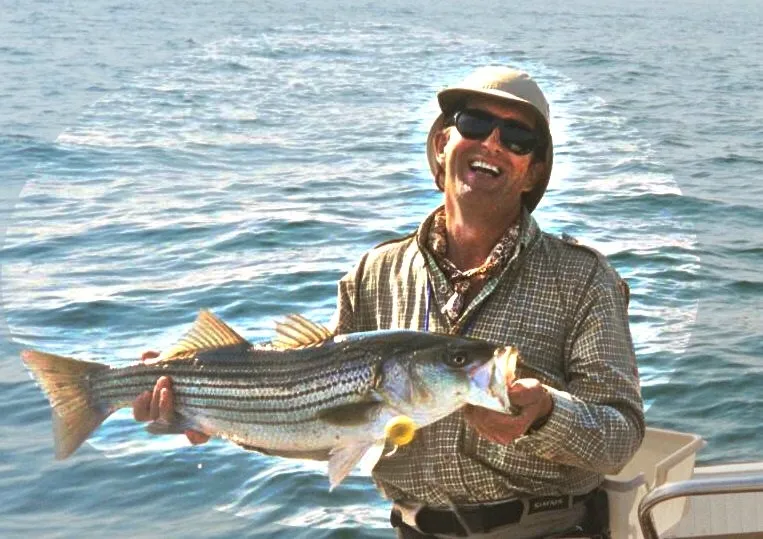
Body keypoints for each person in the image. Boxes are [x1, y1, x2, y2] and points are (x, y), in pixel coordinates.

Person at [133, 66, 644, 538]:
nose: (492, 142)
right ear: (443, 143)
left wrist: (545, 415)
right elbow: (319, 424)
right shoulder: (373, 273)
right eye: (474, 123)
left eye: (517, 138)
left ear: (532, 171)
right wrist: (205, 413)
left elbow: (621, 440)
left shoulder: (582, 277)